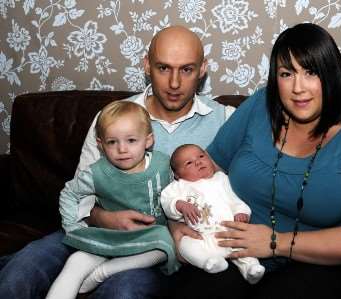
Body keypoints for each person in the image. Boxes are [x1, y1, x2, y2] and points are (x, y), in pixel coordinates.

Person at [0, 25, 234, 299]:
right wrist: (103, 217)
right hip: (96, 233)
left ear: (203, 69)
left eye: (186, 69)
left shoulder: (227, 120)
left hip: (160, 253)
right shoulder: (111, 118)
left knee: (123, 290)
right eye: (163, 68)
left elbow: (241, 193)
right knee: (23, 270)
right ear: (147, 65)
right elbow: (81, 189)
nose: (174, 83)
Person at [169, 23, 341, 299]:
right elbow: (205, 170)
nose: (298, 88)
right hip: (236, 249)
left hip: (319, 266)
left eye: (311, 72)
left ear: (332, 74)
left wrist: (275, 242)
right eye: (287, 73)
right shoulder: (259, 107)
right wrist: (176, 223)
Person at [46, 101, 179, 299]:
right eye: (112, 142)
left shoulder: (163, 164)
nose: (122, 149)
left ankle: (104, 272)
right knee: (76, 262)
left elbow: (181, 190)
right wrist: (72, 227)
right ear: (100, 145)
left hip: (148, 241)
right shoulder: (96, 173)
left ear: (148, 140)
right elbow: (69, 193)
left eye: (131, 140)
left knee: (165, 243)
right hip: (108, 236)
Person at [161, 144, 265, 284]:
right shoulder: (178, 187)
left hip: (228, 231)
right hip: (201, 237)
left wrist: (241, 212)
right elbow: (167, 201)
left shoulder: (222, 179)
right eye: (189, 163)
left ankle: (251, 269)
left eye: (201, 156)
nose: (198, 162)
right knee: (186, 245)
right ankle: (209, 262)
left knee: (243, 245)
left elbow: (234, 200)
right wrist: (179, 205)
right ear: (177, 175)